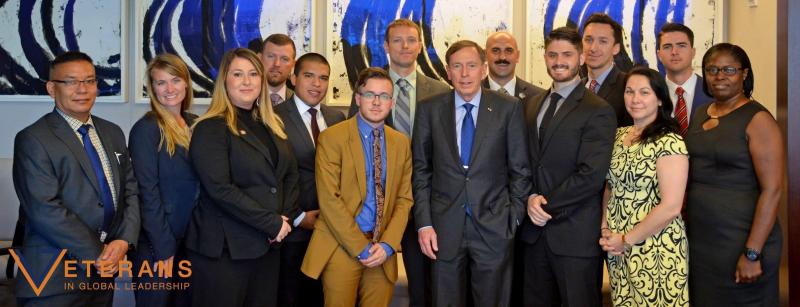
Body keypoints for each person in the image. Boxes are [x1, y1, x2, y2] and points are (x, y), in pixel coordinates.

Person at [12, 51, 140, 306]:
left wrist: (124, 241)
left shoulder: (112, 133)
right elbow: (44, 209)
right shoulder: (33, 139)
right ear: (51, 88)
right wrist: (98, 254)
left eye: (90, 81)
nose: (82, 89)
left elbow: (130, 191)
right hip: (53, 279)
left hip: (103, 277)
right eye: (71, 82)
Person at [413, 40, 531, 307]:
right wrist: (424, 223)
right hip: (443, 229)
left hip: (494, 227)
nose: (464, 74)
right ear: (448, 71)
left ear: (483, 69)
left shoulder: (508, 108)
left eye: (471, 66)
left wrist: (512, 219)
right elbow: (421, 171)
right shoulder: (429, 108)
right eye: (457, 66)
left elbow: (520, 170)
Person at [346, 19, 450, 307]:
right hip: (378, 203)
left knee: (425, 283)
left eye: (411, 39)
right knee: (374, 284)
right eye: (397, 40)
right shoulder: (369, 89)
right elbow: (354, 145)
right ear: (385, 46)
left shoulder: (441, 92)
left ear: (420, 46)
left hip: (428, 201)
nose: (405, 46)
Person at [186, 48, 300, 307]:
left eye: (253, 74)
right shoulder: (210, 127)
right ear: (225, 81)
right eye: (238, 74)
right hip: (225, 252)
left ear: (262, 80)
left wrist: (283, 222)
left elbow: (290, 177)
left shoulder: (271, 125)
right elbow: (220, 189)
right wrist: (271, 223)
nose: (247, 81)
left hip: (267, 247)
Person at [301, 67, 413, 307]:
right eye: (370, 94)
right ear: (358, 98)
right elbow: (330, 200)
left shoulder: (401, 143)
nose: (376, 102)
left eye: (383, 96)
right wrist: (361, 248)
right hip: (341, 245)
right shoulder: (332, 138)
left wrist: (388, 244)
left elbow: (404, 199)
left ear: (391, 103)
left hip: (382, 249)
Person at [521, 27, 616, 307]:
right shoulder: (530, 104)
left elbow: (591, 175)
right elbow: (521, 162)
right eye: (552, 54)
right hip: (533, 236)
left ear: (581, 58)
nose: (558, 60)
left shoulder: (598, 109)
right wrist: (528, 199)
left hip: (574, 237)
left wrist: (543, 206)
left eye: (566, 54)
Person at [686, 43, 784, 306]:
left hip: (742, 239)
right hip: (703, 242)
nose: (719, 76)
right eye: (712, 69)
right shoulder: (699, 114)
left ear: (744, 74)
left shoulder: (758, 119)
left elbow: (772, 190)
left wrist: (752, 253)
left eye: (729, 69)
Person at [599, 66, 689, 306]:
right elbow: (610, 186)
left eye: (644, 92)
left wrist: (627, 239)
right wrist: (606, 228)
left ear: (660, 99)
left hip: (656, 247)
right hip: (618, 247)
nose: (635, 99)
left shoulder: (670, 140)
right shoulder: (618, 136)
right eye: (629, 92)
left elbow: (671, 206)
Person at [274, 52, 345, 307]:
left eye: (323, 78)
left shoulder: (337, 118)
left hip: (332, 229)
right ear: (293, 79)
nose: (317, 84)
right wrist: (299, 217)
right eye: (309, 76)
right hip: (293, 231)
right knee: (292, 298)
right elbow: (271, 178)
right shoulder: (274, 117)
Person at [128, 53, 199, 307]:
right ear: (152, 89)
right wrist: (164, 248)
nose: (169, 89)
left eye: (175, 80)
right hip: (158, 243)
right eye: (161, 83)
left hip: (192, 240)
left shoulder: (195, 124)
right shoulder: (146, 129)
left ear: (186, 83)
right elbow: (146, 191)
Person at [656, 23, 713, 135]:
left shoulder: (713, 92)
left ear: (693, 52)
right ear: (659, 55)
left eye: (681, 45)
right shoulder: (652, 94)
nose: (674, 52)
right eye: (667, 47)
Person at [581, 13, 631, 127]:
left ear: (616, 48)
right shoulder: (575, 87)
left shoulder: (628, 85)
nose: (593, 48)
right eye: (588, 40)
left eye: (603, 41)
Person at [483, 31, 544, 101]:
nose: (502, 57)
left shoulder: (538, 97)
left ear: (517, 56)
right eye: (495, 50)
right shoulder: (472, 93)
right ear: (485, 55)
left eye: (509, 51)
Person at [260, 34, 297, 105]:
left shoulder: (300, 103)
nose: (277, 64)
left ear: (293, 65)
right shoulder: (244, 99)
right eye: (271, 56)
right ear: (260, 58)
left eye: (284, 59)